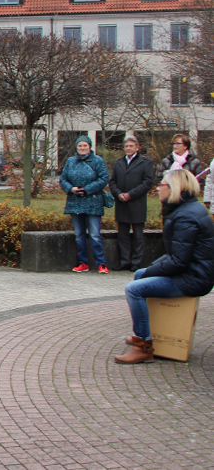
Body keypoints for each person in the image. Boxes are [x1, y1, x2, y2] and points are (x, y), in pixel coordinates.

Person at [115, 169, 214, 364]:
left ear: (174, 188)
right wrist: (149, 269)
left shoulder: (185, 217)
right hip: (192, 271)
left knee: (134, 289)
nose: (158, 188)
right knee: (139, 275)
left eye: (162, 185)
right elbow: (176, 255)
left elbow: (178, 261)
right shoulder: (188, 209)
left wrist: (151, 271)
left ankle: (143, 345)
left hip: (194, 278)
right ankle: (145, 334)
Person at [60, 135, 110, 274]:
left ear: (89, 147)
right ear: (77, 147)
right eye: (80, 146)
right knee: (79, 235)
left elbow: (104, 178)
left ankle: (101, 263)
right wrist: (71, 189)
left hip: (93, 201)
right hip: (75, 202)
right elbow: (63, 179)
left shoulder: (97, 161)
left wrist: (87, 189)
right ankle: (83, 263)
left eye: (85, 146)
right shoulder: (70, 161)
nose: (82, 148)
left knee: (94, 234)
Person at [108, 136, 155, 271]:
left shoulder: (146, 162)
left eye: (131, 146)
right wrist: (118, 194)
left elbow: (147, 182)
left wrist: (131, 194)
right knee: (122, 234)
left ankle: (136, 262)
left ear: (137, 147)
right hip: (121, 203)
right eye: (126, 146)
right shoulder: (119, 163)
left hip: (137, 203)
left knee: (138, 235)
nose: (128, 148)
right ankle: (125, 261)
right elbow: (112, 181)